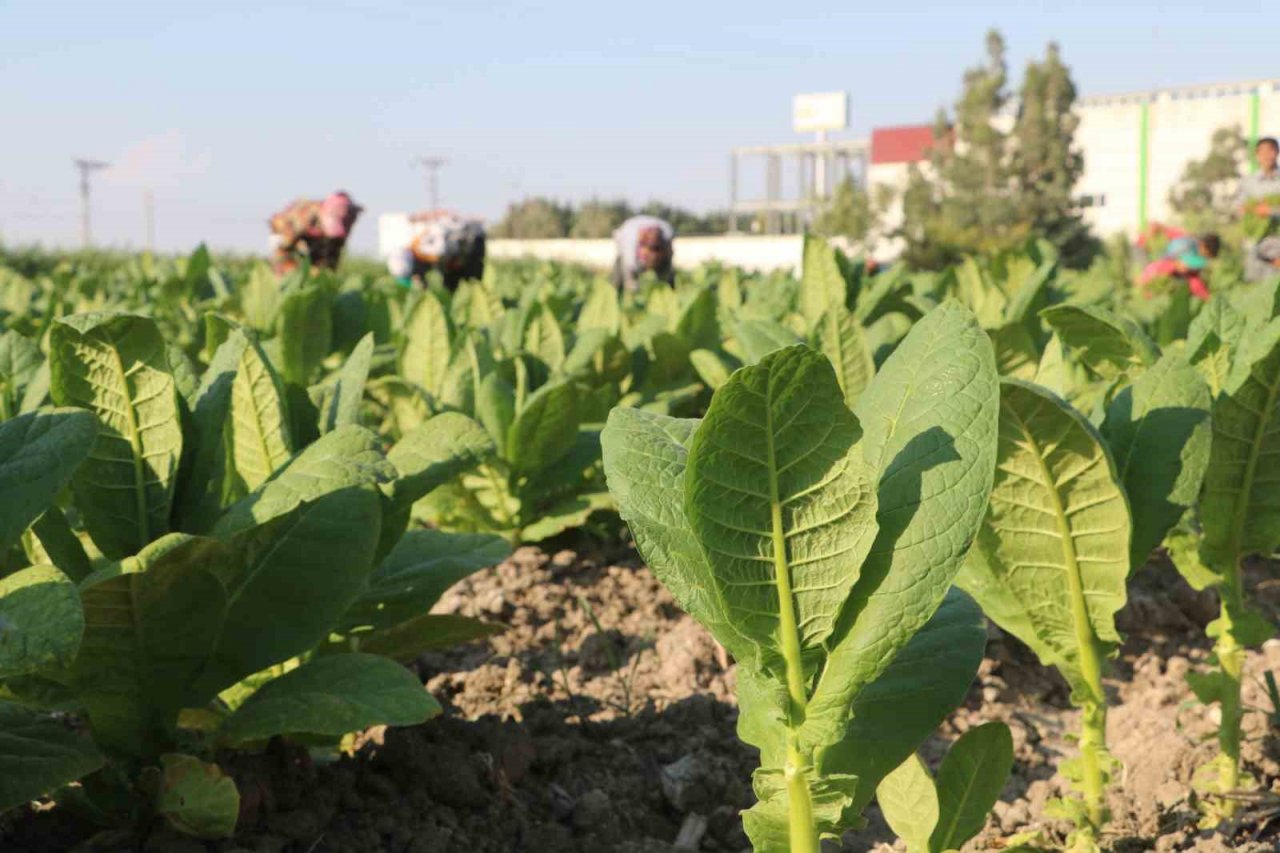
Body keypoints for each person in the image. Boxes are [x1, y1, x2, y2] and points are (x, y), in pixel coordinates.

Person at [387, 210, 486, 291]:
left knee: (471, 286)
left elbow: (441, 251)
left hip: (469, 250)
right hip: (458, 253)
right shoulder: (416, 246)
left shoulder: (422, 248)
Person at [268, 191, 363, 274]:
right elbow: (282, 250)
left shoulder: (349, 216)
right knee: (288, 268)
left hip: (315, 234)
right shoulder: (302, 217)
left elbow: (334, 252)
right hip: (288, 231)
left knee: (325, 266)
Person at [1238, 136, 1280, 281]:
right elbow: (1241, 207)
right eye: (1262, 152)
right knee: (1255, 289)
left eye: (1270, 151)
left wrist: (1271, 211)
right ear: (1257, 156)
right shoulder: (1248, 182)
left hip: (1277, 243)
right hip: (1256, 244)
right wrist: (1249, 210)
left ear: (1277, 152)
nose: (1266, 156)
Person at [1137, 229, 1220, 301]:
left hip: (1170, 274)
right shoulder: (1184, 246)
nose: (1205, 258)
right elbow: (1178, 264)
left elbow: (1193, 278)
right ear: (1203, 246)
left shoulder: (1194, 254)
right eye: (1206, 254)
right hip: (1158, 274)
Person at [611, 215, 675, 291]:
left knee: (667, 279)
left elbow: (670, 254)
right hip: (625, 239)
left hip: (655, 236)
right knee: (622, 280)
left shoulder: (667, 233)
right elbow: (630, 267)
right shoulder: (629, 246)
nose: (654, 256)